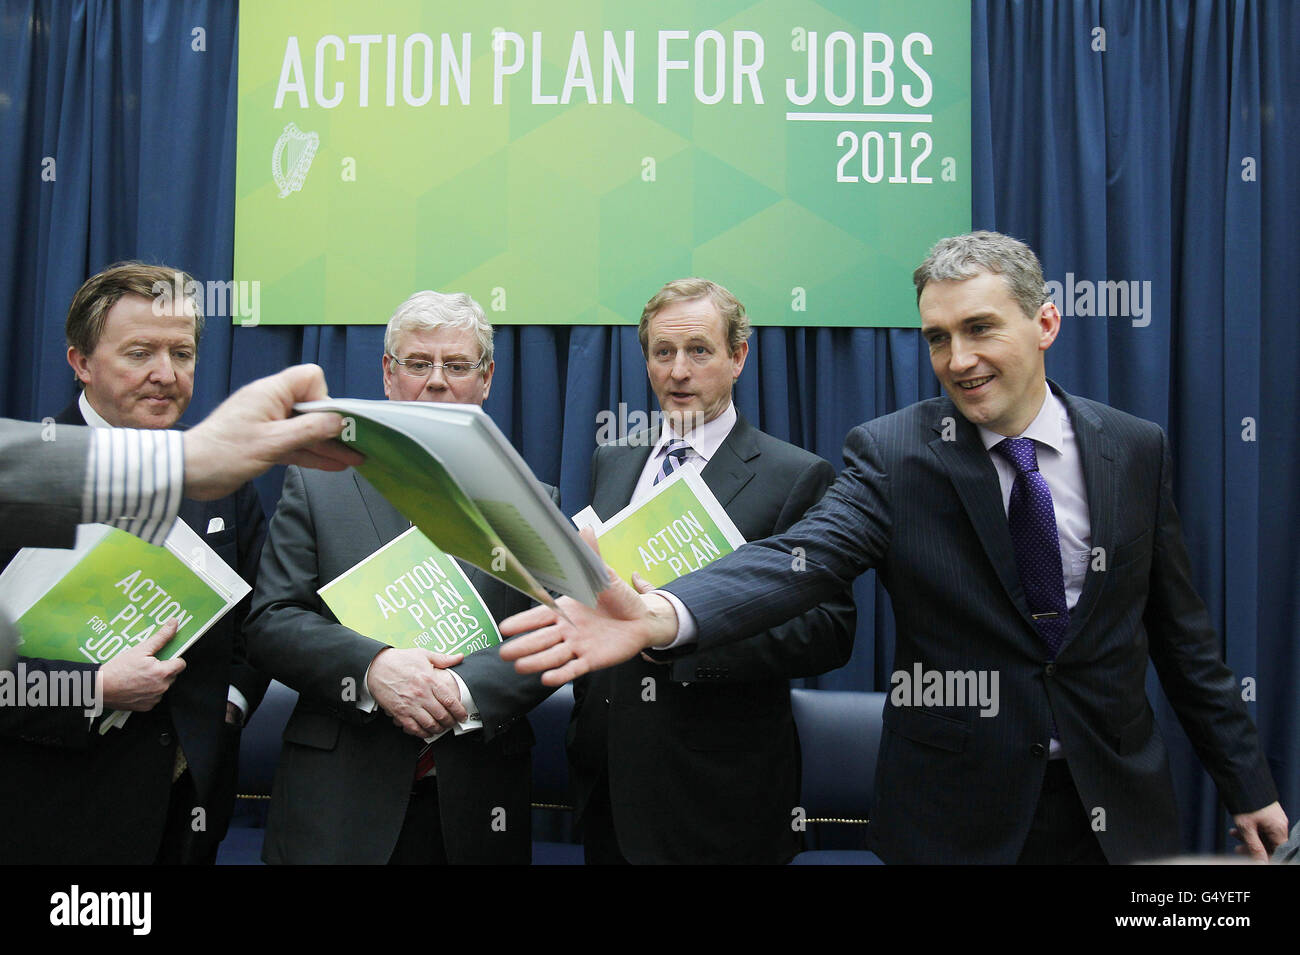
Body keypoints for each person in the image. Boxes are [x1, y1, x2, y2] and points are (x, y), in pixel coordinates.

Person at [502, 231, 1289, 864]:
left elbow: (1183, 637)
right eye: (938, 337)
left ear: (1045, 322)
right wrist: (665, 614)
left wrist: (1246, 783)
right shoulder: (893, 453)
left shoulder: (1133, 448)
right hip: (954, 818)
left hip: (1113, 813)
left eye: (980, 328)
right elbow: (801, 557)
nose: (959, 359)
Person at [245, 291, 555, 864]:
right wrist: (372, 669)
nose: (436, 382)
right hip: (336, 804)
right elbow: (271, 621)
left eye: (457, 366)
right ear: (389, 375)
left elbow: (554, 638)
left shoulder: (532, 504)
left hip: (475, 802)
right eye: (418, 363)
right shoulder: (317, 484)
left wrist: (462, 692)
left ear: (485, 380)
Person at [571, 279, 854, 864]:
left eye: (699, 350)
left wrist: (677, 635)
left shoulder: (795, 475)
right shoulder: (612, 460)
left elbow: (828, 630)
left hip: (720, 792)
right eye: (662, 353)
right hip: (608, 777)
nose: (678, 371)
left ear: (738, 357)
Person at [0, 263, 273, 864]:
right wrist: (91, 690)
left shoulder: (221, 479)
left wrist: (227, 706)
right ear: (80, 362)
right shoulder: (18, 480)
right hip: (47, 813)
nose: (164, 374)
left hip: (190, 816)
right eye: (140, 352)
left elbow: (260, 622)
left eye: (182, 352)